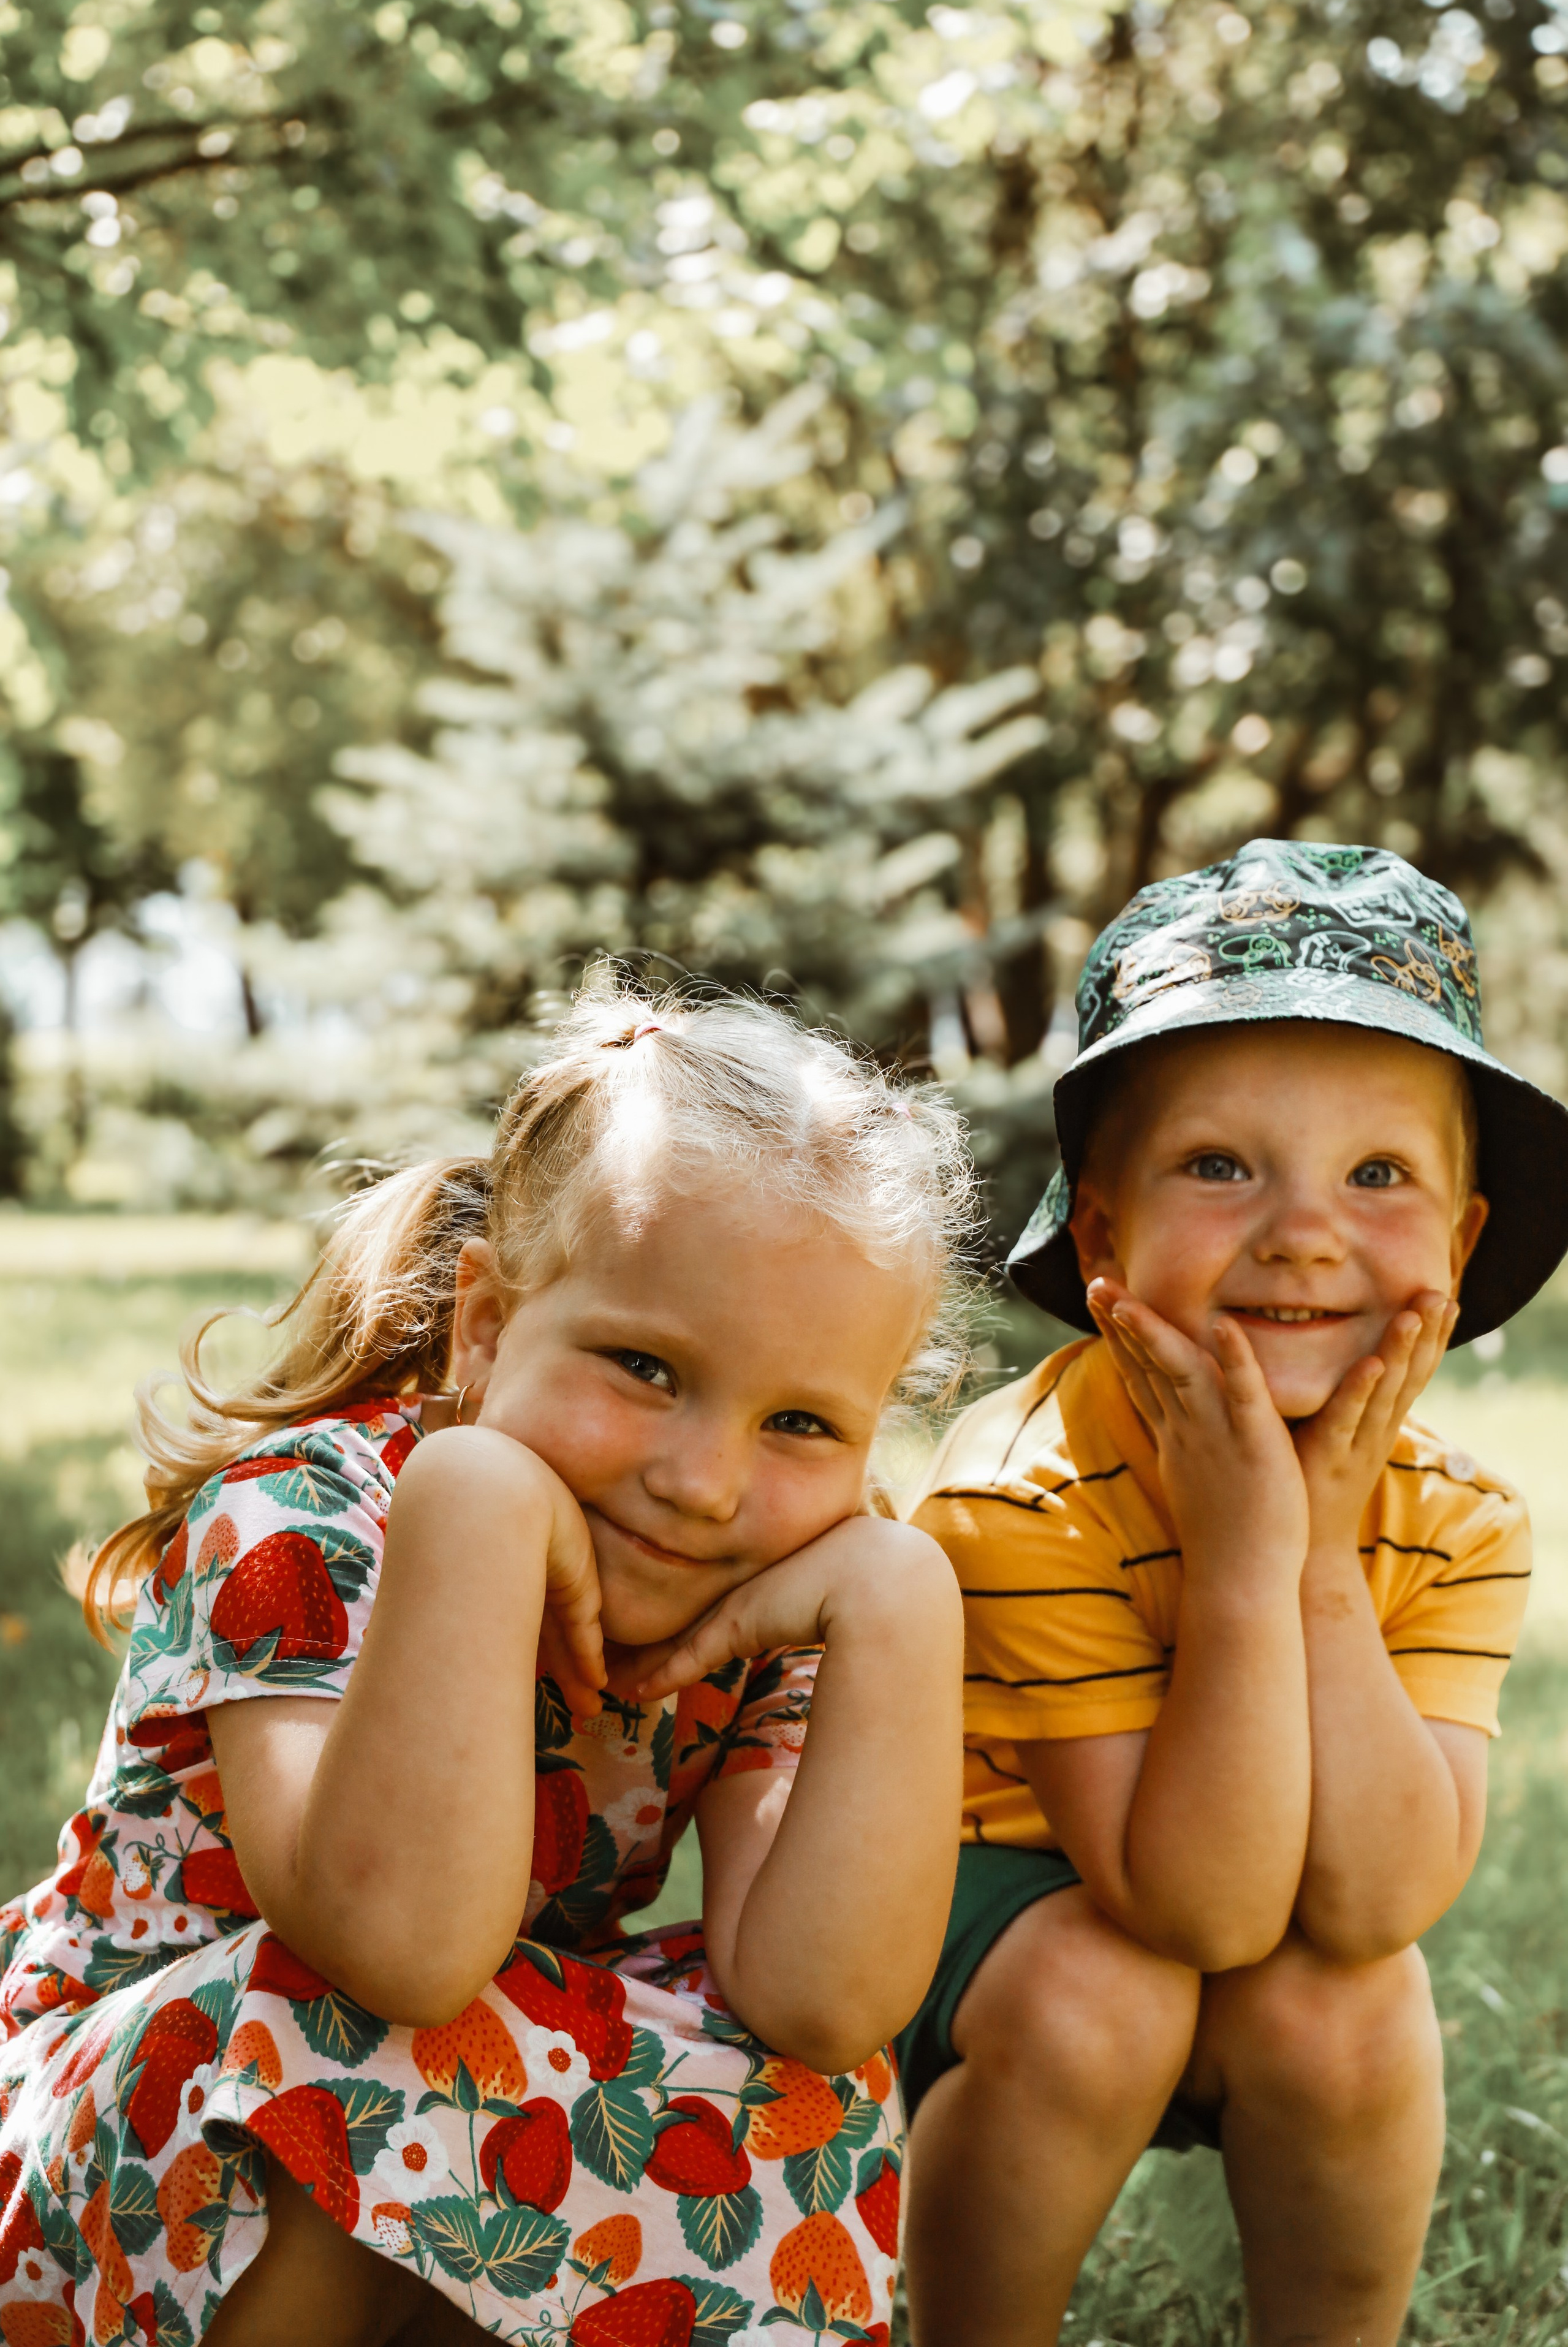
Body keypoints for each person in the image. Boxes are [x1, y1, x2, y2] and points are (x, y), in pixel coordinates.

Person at [0, 982, 969, 2346]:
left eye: (802, 1421)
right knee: (336, 2025)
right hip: (111, 2157)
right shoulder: (312, 1512)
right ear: (482, 1329)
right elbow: (393, 1950)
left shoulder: (770, 1605)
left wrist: (902, 1602)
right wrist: (477, 1502)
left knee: (801, 2091)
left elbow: (820, 2003)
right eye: (642, 1365)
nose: (701, 1483)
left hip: (419, 2121)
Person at [897, 838, 1568, 2347]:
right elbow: (1188, 1904)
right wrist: (1252, 1572)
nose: (1304, 1232)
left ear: (1458, 1247)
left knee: (1349, 2000)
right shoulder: (1019, 1497)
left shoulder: (1455, 1522)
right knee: (1105, 1991)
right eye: (1218, 1164)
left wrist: (1318, 1567)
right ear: (1102, 1235)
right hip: (975, 1911)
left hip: (1244, 1887)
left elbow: (1380, 1900)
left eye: (1378, 1175)